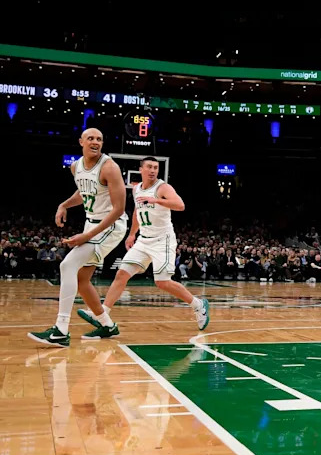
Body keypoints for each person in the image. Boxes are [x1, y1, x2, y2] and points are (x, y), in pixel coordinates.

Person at [78, 157, 209, 337]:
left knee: (162, 282)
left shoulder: (163, 188)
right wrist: (132, 234)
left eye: (156, 167)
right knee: (121, 274)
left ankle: (198, 305)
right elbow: (138, 213)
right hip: (143, 239)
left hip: (162, 240)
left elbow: (180, 205)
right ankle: (103, 312)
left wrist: (157, 201)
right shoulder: (137, 188)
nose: (153, 170)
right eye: (149, 167)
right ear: (141, 169)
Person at [29, 129, 128, 347]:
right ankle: (107, 325)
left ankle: (61, 330)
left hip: (112, 225)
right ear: (81, 142)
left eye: (99, 139)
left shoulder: (109, 167)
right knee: (82, 281)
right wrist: (64, 204)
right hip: (92, 224)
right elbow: (83, 193)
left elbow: (119, 209)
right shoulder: (76, 167)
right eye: (91, 138)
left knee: (67, 265)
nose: (95, 142)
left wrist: (87, 235)